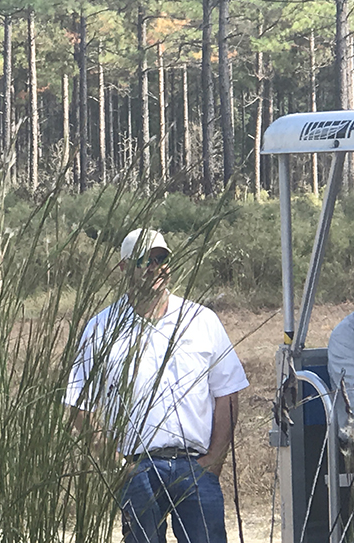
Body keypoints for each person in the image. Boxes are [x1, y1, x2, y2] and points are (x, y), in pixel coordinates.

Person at [64, 228, 249, 543]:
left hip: (195, 467)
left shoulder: (201, 320)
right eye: (144, 260)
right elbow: (78, 404)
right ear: (124, 268)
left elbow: (227, 392)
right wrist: (117, 465)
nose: (155, 267)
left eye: (161, 258)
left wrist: (214, 460)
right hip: (137, 470)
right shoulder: (101, 328)